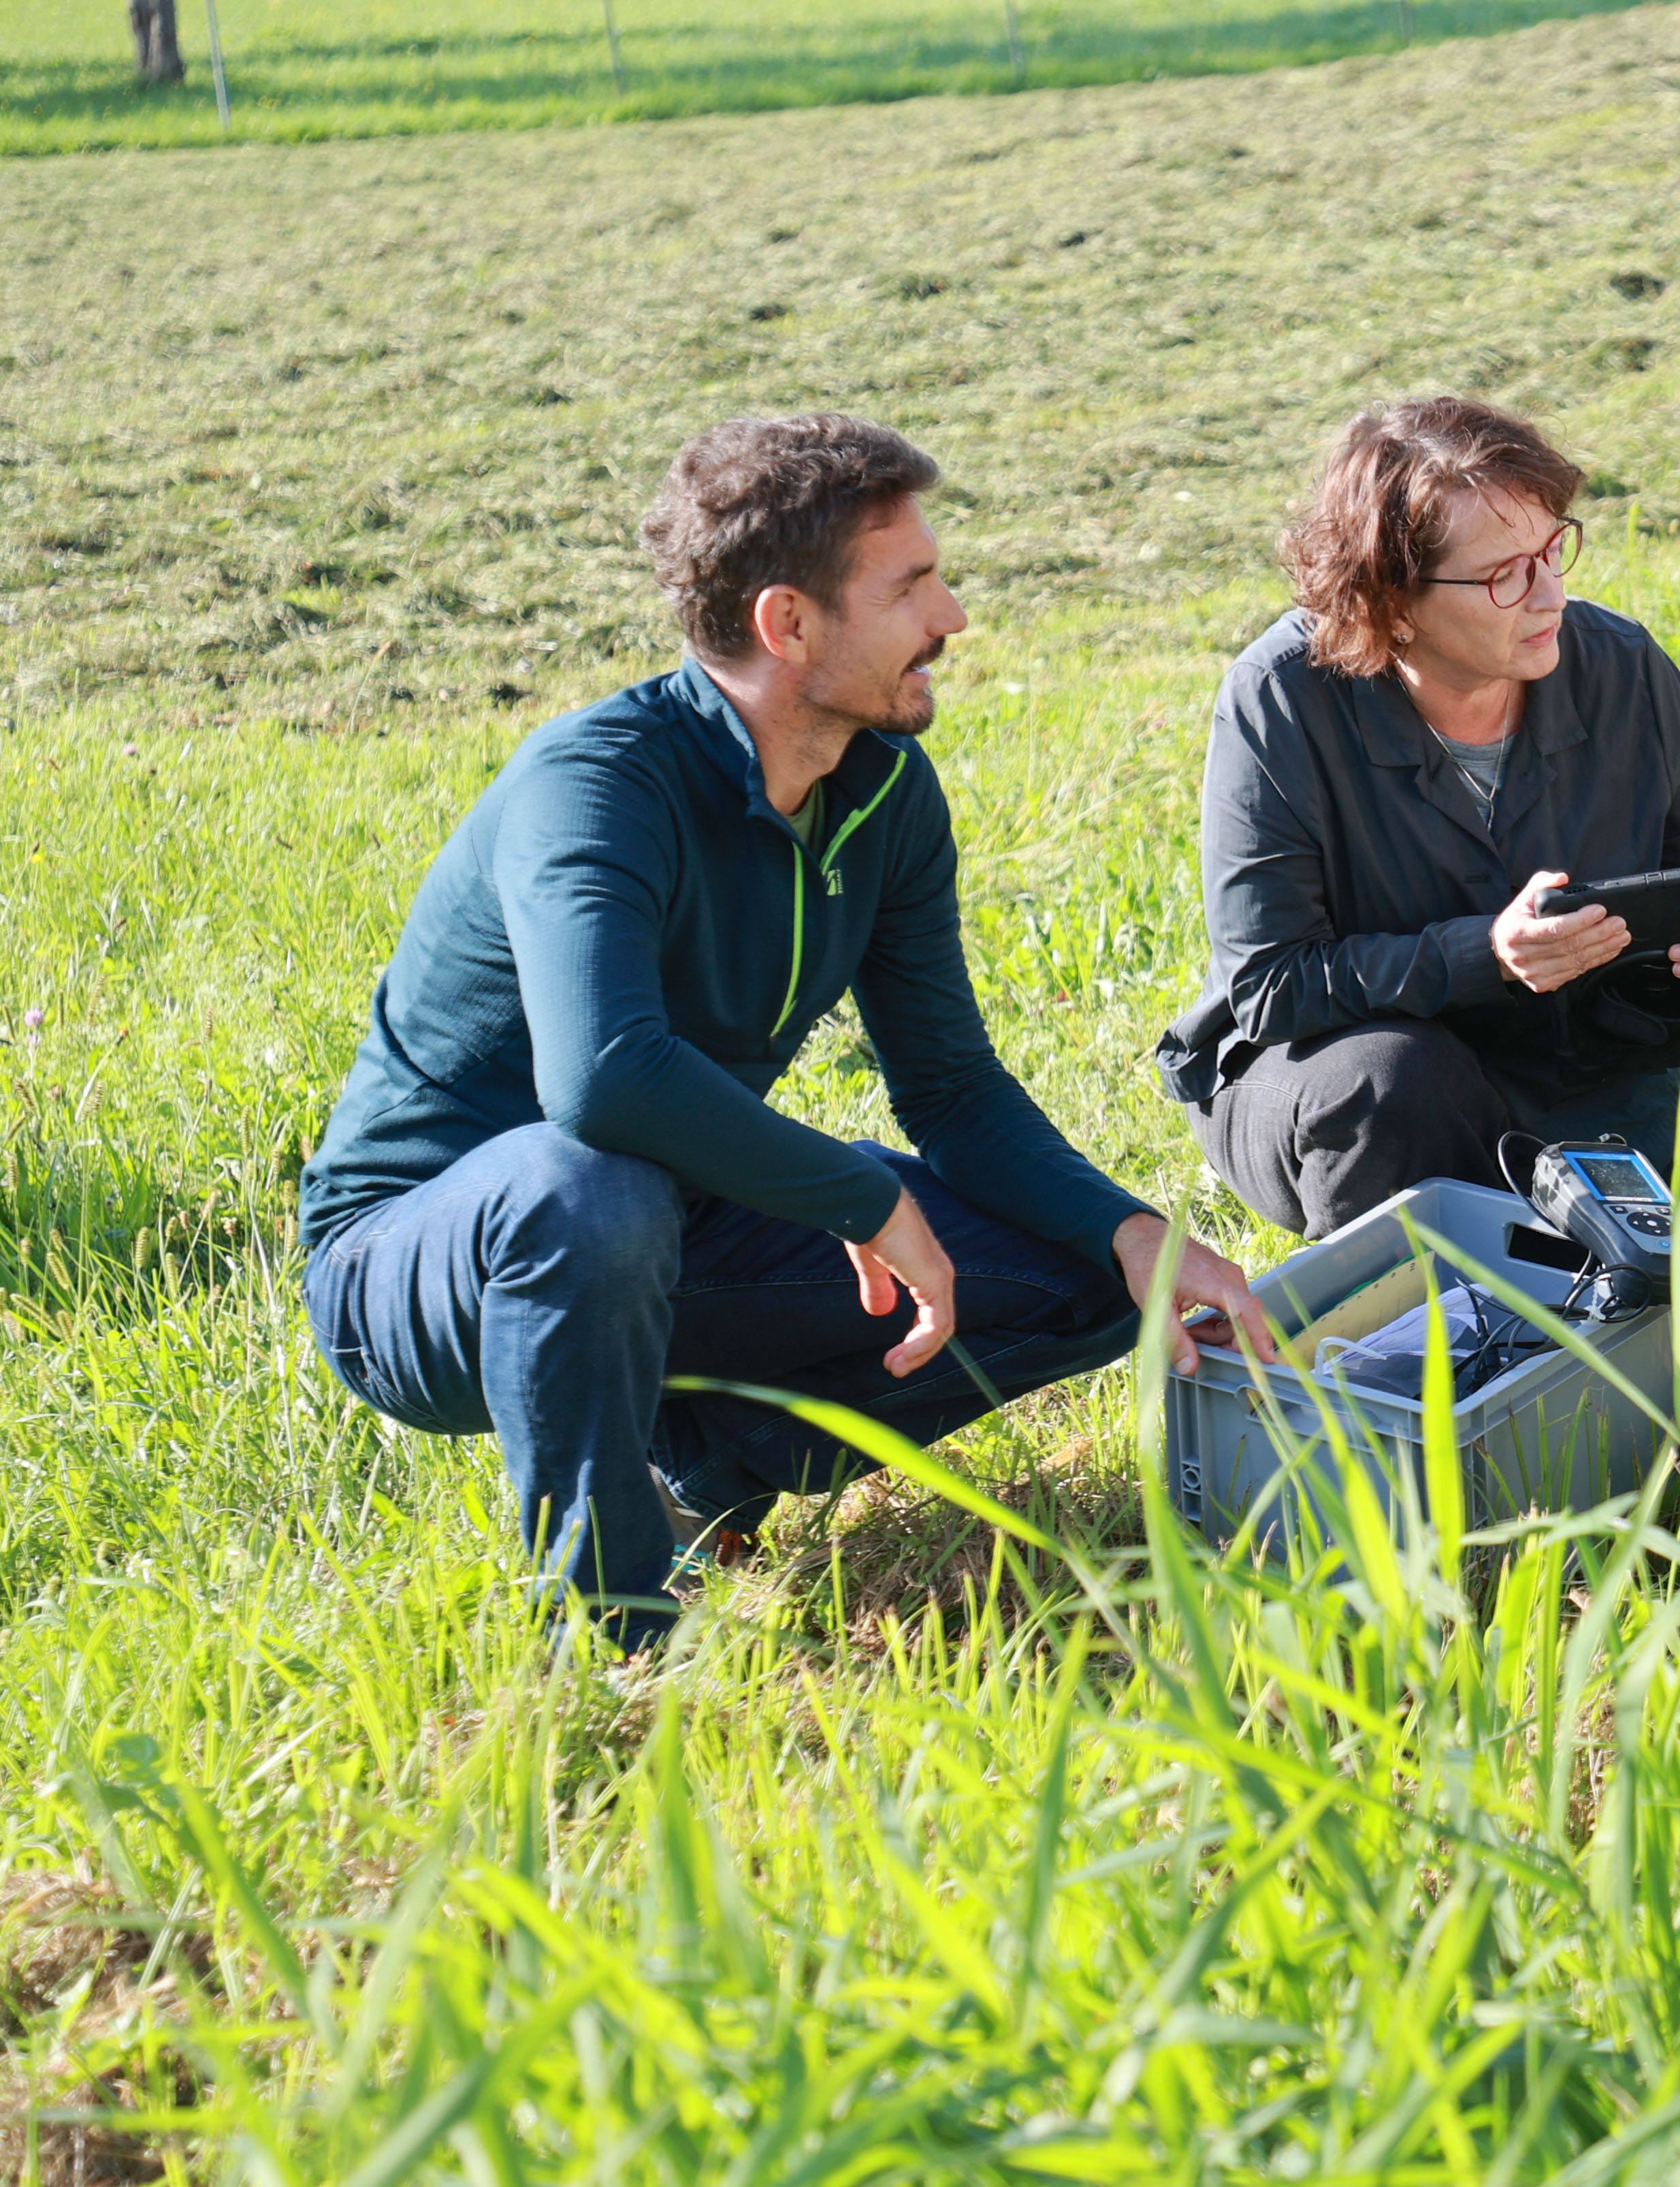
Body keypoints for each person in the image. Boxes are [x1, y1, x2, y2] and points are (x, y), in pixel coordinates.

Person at [297, 413, 1276, 1648]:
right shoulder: (595, 783)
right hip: (424, 1260)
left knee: (1083, 1279)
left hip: (671, 1211)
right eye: (913, 586)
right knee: (583, 1186)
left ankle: (701, 1481)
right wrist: (856, 1200)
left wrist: (1131, 1230)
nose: (953, 617)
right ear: (788, 623)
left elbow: (953, 1086)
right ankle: (609, 1632)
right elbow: (601, 1080)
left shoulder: (881, 790)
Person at [1156, 397, 1680, 1244]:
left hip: (1571, 1062)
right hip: (1327, 1072)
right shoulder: (1281, 698)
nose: (1551, 596)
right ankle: (1386, 1345)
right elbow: (1271, 986)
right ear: (1390, 601)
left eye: (1553, 550)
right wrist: (1486, 954)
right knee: (1393, 1082)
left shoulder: (1626, 672)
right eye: (1506, 574)